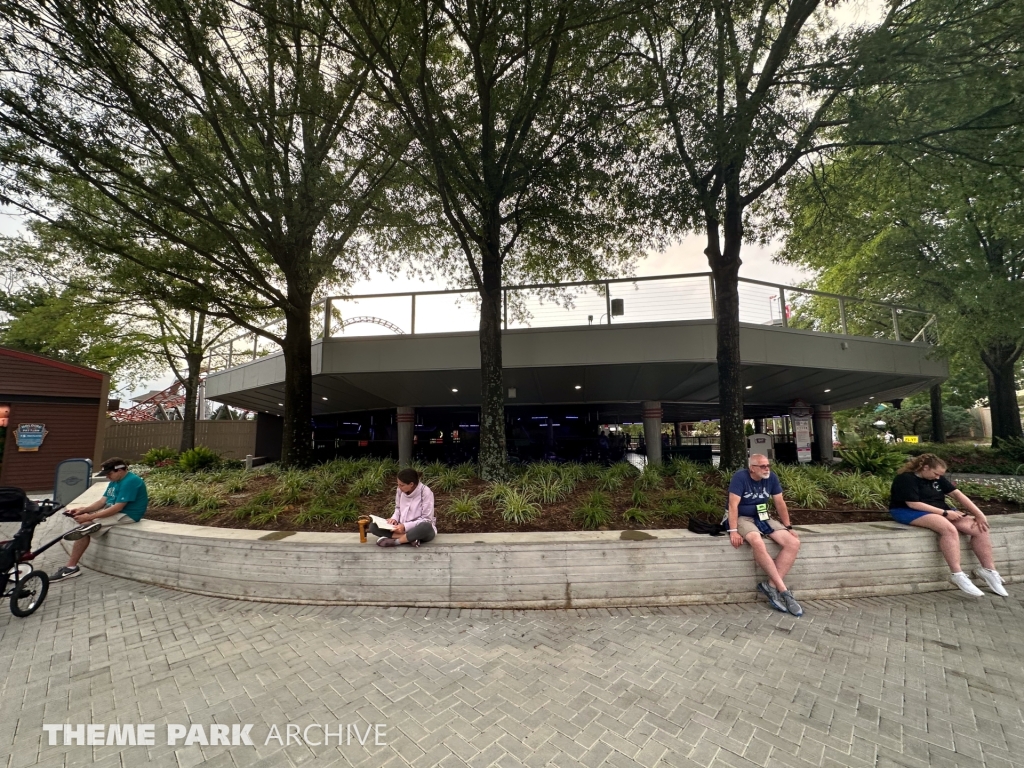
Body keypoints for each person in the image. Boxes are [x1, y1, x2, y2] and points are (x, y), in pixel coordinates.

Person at [889, 454, 1007, 597]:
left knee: (979, 528)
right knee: (948, 529)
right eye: (935, 474)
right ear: (925, 468)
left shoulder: (937, 478)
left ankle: (988, 570)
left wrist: (979, 514)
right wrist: (944, 513)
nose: (938, 478)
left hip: (940, 509)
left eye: (940, 475)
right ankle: (957, 574)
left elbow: (958, 495)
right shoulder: (906, 479)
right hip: (908, 510)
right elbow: (913, 503)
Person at [726, 454, 803, 616]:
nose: (766, 469)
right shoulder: (740, 478)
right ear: (752, 468)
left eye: (768, 465)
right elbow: (733, 505)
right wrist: (733, 530)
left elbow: (780, 502)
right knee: (756, 540)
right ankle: (783, 590)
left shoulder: (771, 478)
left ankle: (770, 586)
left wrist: (788, 526)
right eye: (762, 466)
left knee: (793, 543)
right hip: (742, 517)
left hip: (762, 515)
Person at [51, 457, 149, 582]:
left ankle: (71, 567)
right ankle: (91, 528)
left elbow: (118, 508)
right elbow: (102, 501)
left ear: (120, 470)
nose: (107, 477)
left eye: (109, 474)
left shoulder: (131, 481)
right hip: (114, 511)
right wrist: (83, 510)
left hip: (127, 514)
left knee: (84, 528)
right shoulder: (115, 481)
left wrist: (90, 517)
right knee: (85, 523)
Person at [371, 468, 436, 548]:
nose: (399, 487)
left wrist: (405, 526)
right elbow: (398, 508)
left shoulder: (426, 492)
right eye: (398, 484)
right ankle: (410, 538)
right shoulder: (399, 490)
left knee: (426, 527)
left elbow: (427, 519)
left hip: (417, 529)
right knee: (373, 526)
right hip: (399, 528)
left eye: (402, 485)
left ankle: (396, 542)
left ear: (411, 484)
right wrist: (394, 519)